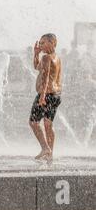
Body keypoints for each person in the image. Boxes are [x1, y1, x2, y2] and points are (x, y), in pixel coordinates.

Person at [29, 34, 62, 162]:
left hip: (46, 95)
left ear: (52, 43)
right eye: (40, 43)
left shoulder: (46, 58)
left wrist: (42, 96)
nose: (40, 45)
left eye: (43, 43)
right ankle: (50, 153)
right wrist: (36, 54)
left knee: (33, 122)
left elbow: (45, 77)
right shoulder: (56, 58)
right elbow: (37, 68)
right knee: (48, 124)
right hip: (56, 95)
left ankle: (45, 148)